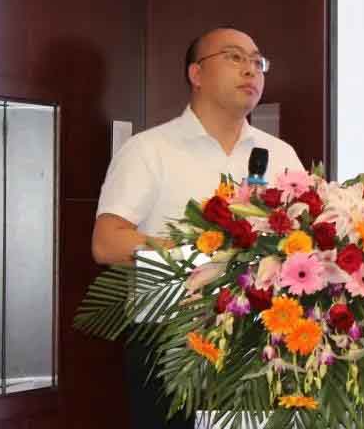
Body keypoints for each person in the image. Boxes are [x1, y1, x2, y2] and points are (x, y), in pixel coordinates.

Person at [92, 27, 304, 428]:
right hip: (172, 344)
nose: (251, 70)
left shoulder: (280, 155)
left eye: (257, 62)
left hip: (261, 343)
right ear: (196, 73)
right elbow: (106, 243)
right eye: (234, 57)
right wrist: (201, 255)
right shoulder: (150, 150)